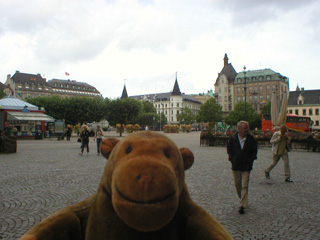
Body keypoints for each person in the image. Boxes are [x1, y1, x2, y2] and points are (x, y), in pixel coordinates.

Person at [227, 121, 258, 214]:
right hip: (236, 165)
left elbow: (254, 151)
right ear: (239, 129)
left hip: (246, 165)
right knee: (237, 184)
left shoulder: (251, 139)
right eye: (245, 128)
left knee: (244, 185)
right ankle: (243, 199)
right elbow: (229, 150)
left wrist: (250, 161)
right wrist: (232, 159)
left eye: (247, 128)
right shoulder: (233, 139)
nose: (247, 130)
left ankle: (242, 205)